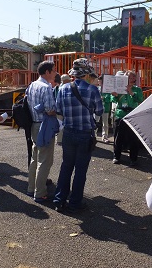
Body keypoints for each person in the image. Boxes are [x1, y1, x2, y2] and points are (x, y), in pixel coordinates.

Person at [53, 58, 103, 213]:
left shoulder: (63, 88)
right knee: (80, 169)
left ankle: (59, 199)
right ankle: (75, 202)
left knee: (66, 166)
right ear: (86, 73)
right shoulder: (92, 90)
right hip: (85, 134)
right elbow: (99, 111)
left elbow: (59, 111)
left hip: (68, 132)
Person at [26, 61, 57, 202]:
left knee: (35, 158)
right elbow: (50, 109)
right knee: (45, 160)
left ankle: (31, 188)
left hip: (34, 124)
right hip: (44, 126)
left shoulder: (32, 84)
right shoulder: (47, 87)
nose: (55, 73)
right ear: (47, 72)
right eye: (54, 70)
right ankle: (40, 193)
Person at [111, 70, 144, 165]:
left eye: (132, 77)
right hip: (120, 113)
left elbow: (140, 99)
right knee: (118, 137)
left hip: (132, 114)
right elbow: (113, 99)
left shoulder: (137, 89)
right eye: (129, 77)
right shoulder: (119, 88)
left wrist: (131, 93)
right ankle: (116, 156)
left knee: (133, 138)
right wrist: (115, 95)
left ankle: (133, 158)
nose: (131, 79)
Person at [56, 74, 72, 145]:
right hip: (64, 109)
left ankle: (59, 140)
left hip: (59, 110)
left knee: (60, 125)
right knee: (62, 126)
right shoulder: (65, 88)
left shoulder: (59, 87)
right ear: (66, 81)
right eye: (69, 80)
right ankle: (60, 140)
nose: (69, 81)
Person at [98, 74, 112, 143]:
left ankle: (105, 136)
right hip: (97, 107)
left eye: (101, 81)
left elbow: (110, 98)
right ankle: (93, 135)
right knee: (95, 121)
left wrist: (104, 98)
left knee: (105, 123)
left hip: (105, 107)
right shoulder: (97, 88)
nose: (99, 82)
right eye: (99, 81)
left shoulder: (108, 89)